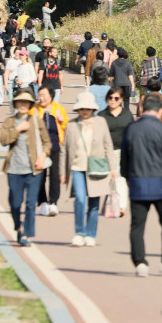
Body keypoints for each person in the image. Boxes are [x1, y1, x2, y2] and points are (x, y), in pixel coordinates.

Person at [122, 93, 162, 277]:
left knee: (137, 226)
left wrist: (128, 178)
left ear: (142, 109)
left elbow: (124, 159)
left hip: (138, 184)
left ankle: (140, 263)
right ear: (161, 110)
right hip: (161, 186)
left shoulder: (131, 129)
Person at [60, 92, 117, 247]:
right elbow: (64, 149)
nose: (85, 111)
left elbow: (108, 145)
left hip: (96, 168)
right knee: (79, 198)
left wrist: (113, 168)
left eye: (88, 108)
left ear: (93, 109)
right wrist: (62, 172)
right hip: (77, 167)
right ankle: (79, 232)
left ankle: (91, 233)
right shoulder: (71, 125)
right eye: (82, 108)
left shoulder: (101, 122)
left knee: (94, 202)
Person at [0, 90, 52, 247]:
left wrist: (42, 157)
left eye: (26, 102)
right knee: (15, 203)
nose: (22, 105)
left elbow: (47, 142)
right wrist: (17, 129)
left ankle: (26, 234)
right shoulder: (9, 122)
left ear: (30, 105)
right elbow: (3, 140)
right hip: (14, 169)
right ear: (15, 104)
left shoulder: (37, 121)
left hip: (34, 170)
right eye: (20, 102)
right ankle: (18, 226)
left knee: (30, 203)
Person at [35, 86, 69, 217]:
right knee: (40, 176)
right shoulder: (35, 109)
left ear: (50, 96)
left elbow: (66, 125)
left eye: (44, 95)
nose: (41, 98)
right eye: (40, 95)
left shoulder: (59, 109)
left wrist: (62, 121)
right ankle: (43, 203)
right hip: (39, 149)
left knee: (55, 176)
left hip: (55, 147)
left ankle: (53, 203)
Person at [102, 87, 135, 216]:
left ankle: (121, 206)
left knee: (121, 178)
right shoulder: (102, 115)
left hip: (123, 151)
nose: (113, 101)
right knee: (110, 179)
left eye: (116, 98)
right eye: (110, 98)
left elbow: (133, 131)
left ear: (121, 99)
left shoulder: (127, 114)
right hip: (107, 152)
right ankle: (110, 204)